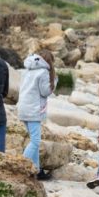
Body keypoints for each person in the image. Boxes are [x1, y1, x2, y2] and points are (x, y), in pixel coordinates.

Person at [17, 50, 56, 180]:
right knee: (35, 141)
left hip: (23, 108)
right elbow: (45, 92)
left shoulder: (28, 69)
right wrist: (54, 82)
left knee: (34, 140)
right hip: (33, 109)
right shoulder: (43, 71)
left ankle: (38, 171)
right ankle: (21, 166)